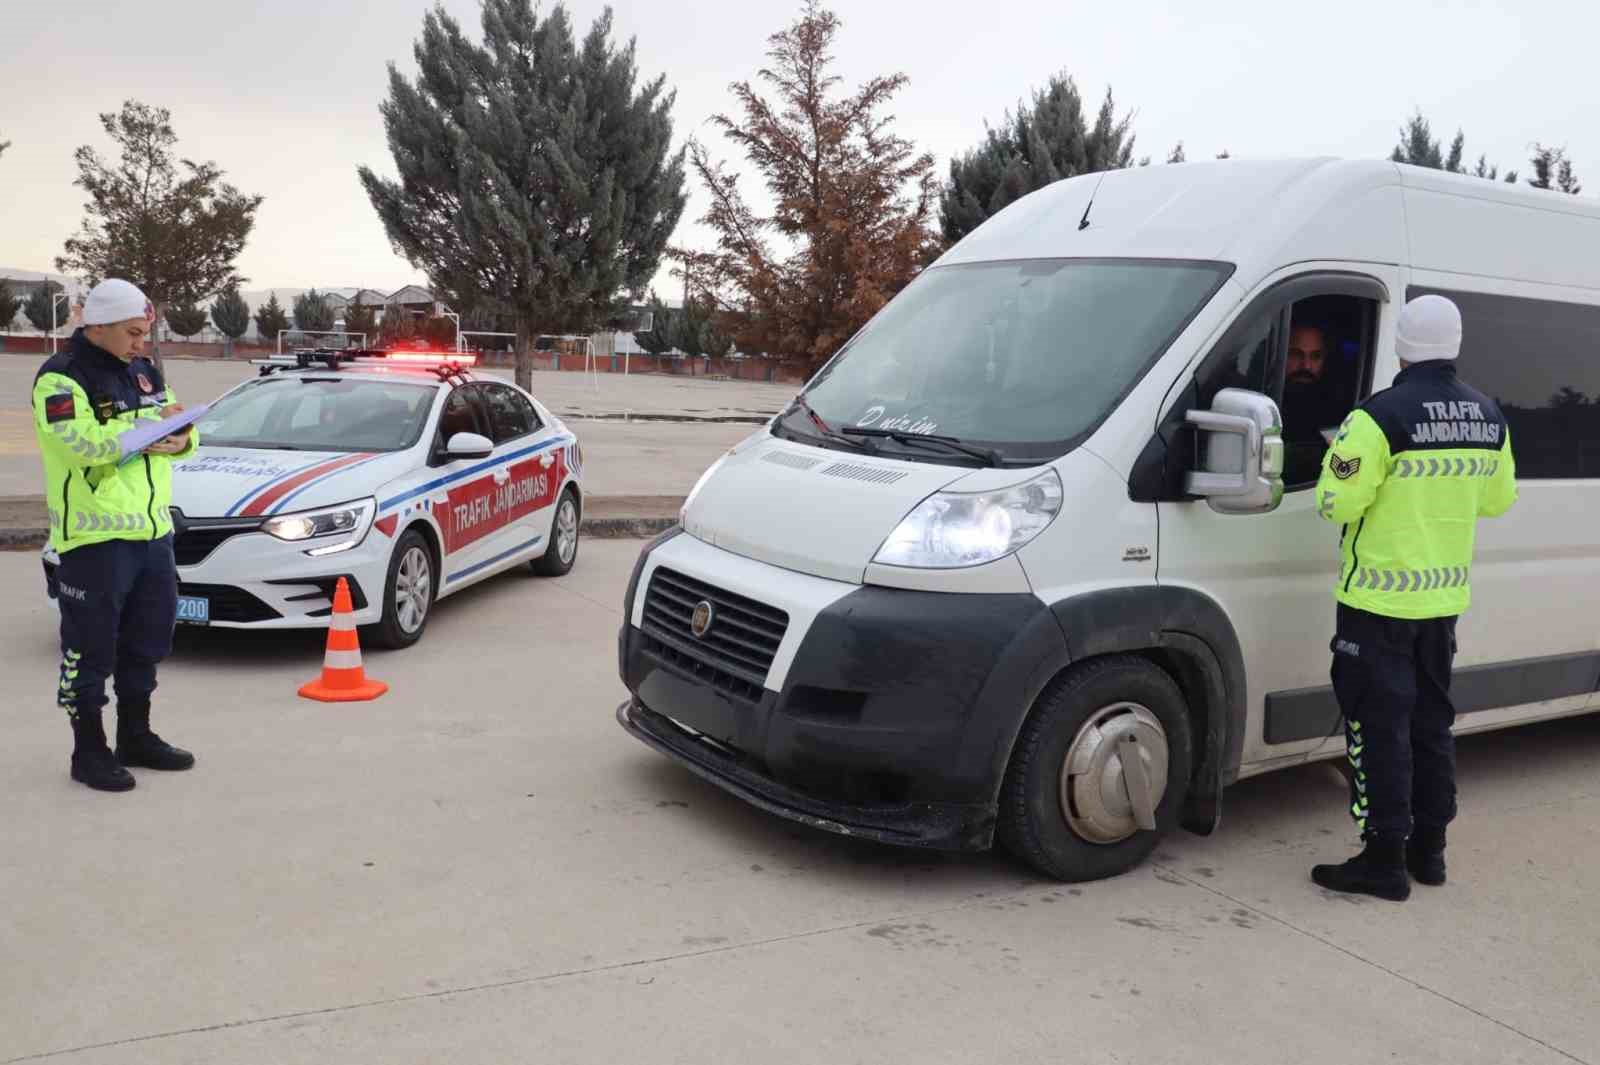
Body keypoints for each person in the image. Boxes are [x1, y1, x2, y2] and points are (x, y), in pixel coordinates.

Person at [1310, 294, 1517, 900]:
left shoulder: (1377, 417)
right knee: (1431, 725)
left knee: (1379, 730)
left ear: (1400, 344)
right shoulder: (1487, 415)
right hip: (1441, 602)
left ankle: (1382, 860)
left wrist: (1335, 467)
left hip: (1376, 606)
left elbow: (1335, 503)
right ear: (1454, 344)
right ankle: (1430, 852)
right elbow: (1497, 499)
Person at [32, 279, 200, 792]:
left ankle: (136, 736)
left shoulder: (145, 373)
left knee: (147, 641)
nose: (140, 344)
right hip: (94, 540)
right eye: (132, 333)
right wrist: (149, 436)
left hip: (152, 534)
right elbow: (79, 444)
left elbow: (182, 431)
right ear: (98, 326)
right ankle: (88, 750)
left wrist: (179, 439)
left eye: (144, 333)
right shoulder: (60, 378)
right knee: (89, 648)